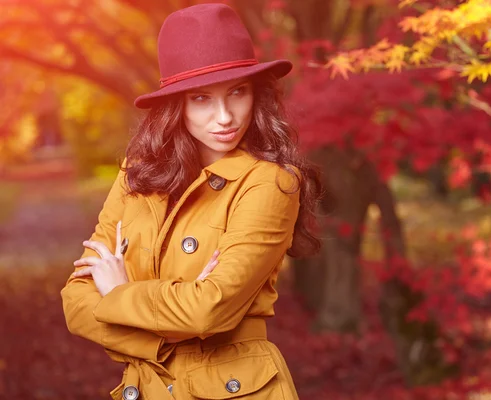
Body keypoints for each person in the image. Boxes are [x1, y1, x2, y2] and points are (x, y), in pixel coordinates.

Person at [60, 3, 321, 400]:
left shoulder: (269, 181)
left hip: (237, 389)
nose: (224, 116)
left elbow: (209, 309)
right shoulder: (138, 173)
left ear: (257, 94)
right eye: (201, 98)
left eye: (238, 92)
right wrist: (169, 335)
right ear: (176, 105)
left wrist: (117, 293)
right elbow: (75, 301)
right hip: (147, 388)